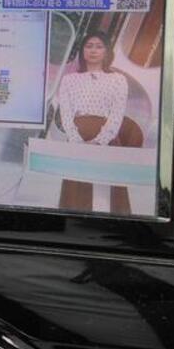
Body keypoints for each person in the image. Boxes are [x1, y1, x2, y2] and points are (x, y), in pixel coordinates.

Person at [57, 31, 142, 214]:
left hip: (107, 136)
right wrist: (76, 140)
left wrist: (100, 141)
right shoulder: (69, 80)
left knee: (114, 183)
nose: (93, 50)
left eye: (99, 46)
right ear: (82, 51)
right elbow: (65, 113)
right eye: (89, 46)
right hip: (76, 137)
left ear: (107, 51)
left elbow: (117, 113)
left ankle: (118, 220)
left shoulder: (118, 80)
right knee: (75, 183)